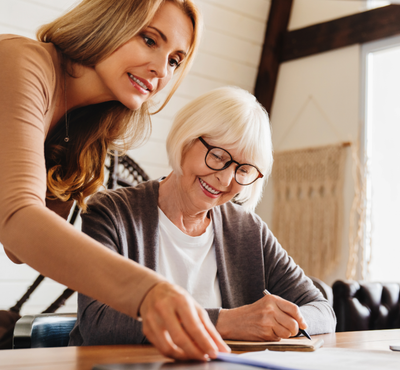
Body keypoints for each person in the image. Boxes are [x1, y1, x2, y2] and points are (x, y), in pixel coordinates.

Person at [0, 0, 230, 360]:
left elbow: (18, 251)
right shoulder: (20, 62)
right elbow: (17, 223)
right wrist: (149, 291)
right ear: (109, 22)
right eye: (150, 40)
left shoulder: (82, 133)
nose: (160, 70)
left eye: (174, 60)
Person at [68, 86, 337, 346]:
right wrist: (227, 321)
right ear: (186, 139)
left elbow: (323, 311)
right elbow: (97, 321)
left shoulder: (247, 230)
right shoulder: (111, 213)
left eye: (243, 170)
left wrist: (280, 321)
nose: (225, 178)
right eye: (218, 156)